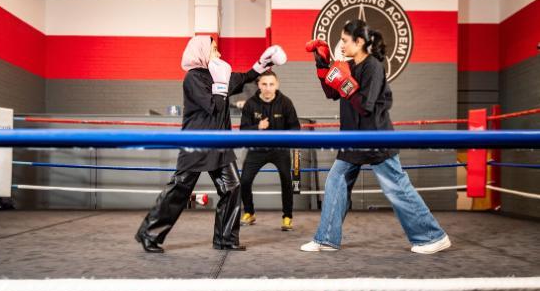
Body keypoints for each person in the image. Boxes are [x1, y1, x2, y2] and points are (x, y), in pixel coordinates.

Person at [301, 20, 451, 254]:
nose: (341, 44)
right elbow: (332, 93)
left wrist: (343, 81)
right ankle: (327, 238)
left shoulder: (373, 67)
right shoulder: (349, 65)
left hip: (376, 138)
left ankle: (432, 236)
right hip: (351, 139)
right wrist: (322, 66)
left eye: (344, 40)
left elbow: (366, 106)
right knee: (335, 182)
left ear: (359, 42)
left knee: (396, 187)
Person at [135, 36, 287, 253]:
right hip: (196, 143)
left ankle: (225, 238)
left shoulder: (218, 74)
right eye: (214, 49)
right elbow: (212, 107)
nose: (219, 54)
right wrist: (221, 84)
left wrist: (262, 63)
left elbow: (244, 78)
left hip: (220, 143)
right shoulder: (193, 78)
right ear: (202, 52)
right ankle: (149, 234)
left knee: (232, 188)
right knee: (179, 189)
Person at [239, 70, 300, 230]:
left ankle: (287, 217)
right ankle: (249, 213)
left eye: (271, 84)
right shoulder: (250, 104)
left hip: (279, 150)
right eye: (264, 84)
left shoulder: (286, 103)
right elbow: (243, 131)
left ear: (277, 85)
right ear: (258, 85)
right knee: (244, 181)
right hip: (257, 149)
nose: (267, 88)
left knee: (287, 181)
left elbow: (295, 129)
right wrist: (257, 127)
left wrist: (283, 137)